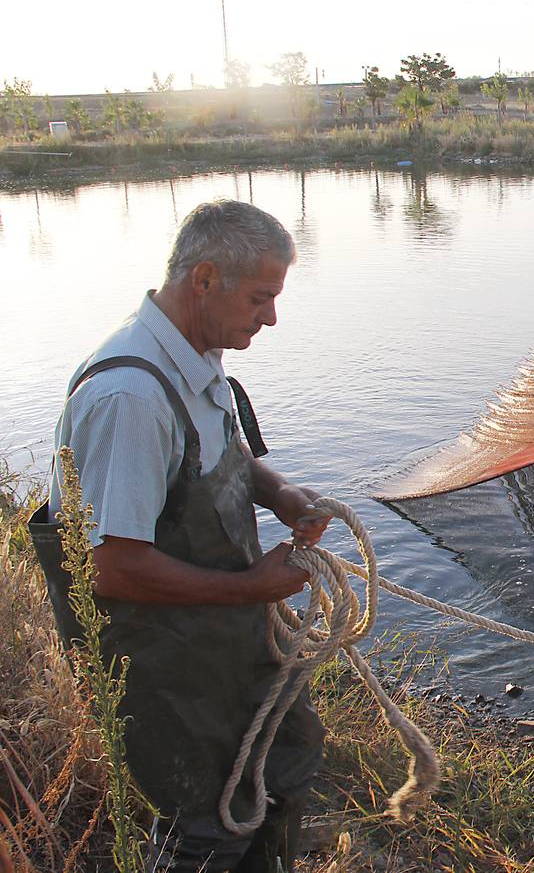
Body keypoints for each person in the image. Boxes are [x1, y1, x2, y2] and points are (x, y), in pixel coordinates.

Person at [28, 199, 330, 872]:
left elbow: (223, 455)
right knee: (204, 823)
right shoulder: (129, 399)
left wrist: (278, 492)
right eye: (261, 298)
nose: (271, 318)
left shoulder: (196, 352)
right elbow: (112, 568)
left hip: (223, 634)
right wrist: (253, 585)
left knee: (278, 771)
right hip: (160, 666)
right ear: (204, 280)